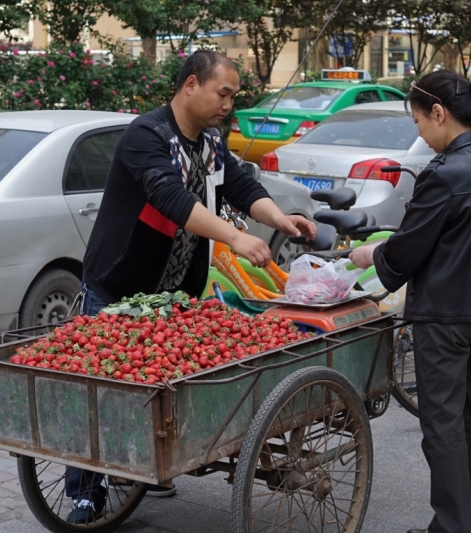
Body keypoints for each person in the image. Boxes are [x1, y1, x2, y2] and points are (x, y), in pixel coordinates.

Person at [64, 49, 317, 525]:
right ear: (191, 86)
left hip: (173, 294)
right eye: (223, 93)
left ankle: (143, 468)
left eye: (233, 96)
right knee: (98, 392)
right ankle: (84, 491)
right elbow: (172, 198)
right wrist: (236, 237)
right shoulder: (147, 136)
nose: (228, 104)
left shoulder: (212, 142)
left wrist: (281, 218)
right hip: (119, 286)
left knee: (156, 385)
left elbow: (241, 187)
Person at [349, 70, 471, 533]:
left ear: (439, 113)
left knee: (443, 420)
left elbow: (406, 250)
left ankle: (452, 524)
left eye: (418, 121)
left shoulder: (445, 173)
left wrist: (372, 254)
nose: (420, 132)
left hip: (447, 310)